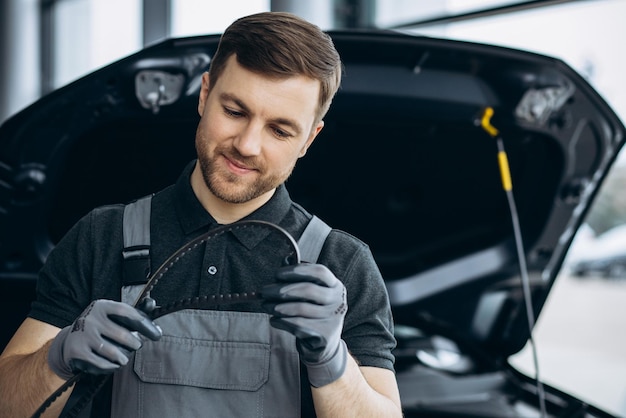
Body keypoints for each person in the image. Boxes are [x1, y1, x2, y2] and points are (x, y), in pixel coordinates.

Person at [0, 11, 402, 418]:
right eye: (234, 111)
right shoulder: (101, 238)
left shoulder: (344, 264)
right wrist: (57, 357)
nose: (247, 145)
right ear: (205, 94)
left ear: (308, 140)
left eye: (279, 131)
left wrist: (332, 361)